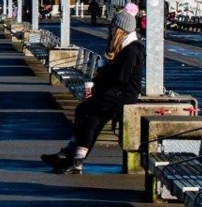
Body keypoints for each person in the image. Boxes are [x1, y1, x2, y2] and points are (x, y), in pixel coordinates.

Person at [42, 10, 146, 175]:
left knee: (85, 111)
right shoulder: (126, 48)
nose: (110, 30)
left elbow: (122, 78)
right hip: (115, 94)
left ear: (120, 29)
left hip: (122, 96)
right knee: (91, 120)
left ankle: (72, 156)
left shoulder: (132, 50)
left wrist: (104, 72)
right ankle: (74, 158)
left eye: (113, 27)